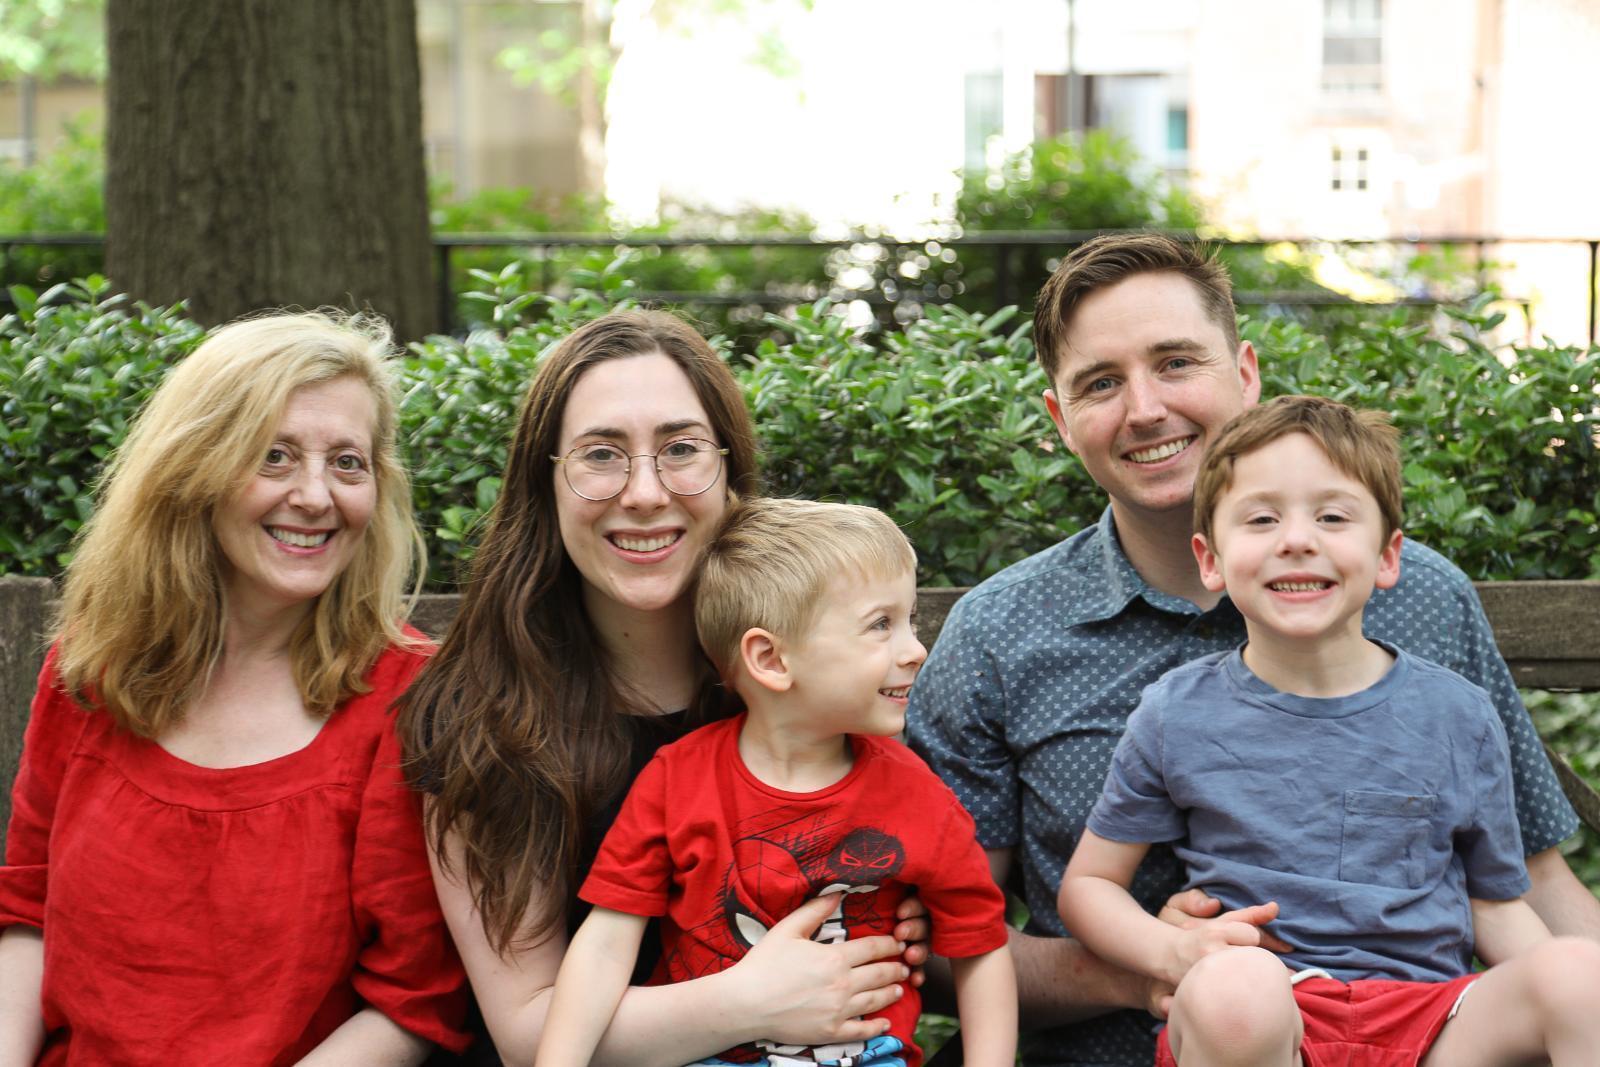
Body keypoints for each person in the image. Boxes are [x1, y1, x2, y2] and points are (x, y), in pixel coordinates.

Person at [904, 233, 1598, 1067]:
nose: (1144, 408)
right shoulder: (999, 633)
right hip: (1137, 1043)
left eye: (1175, 362)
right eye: (1101, 382)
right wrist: (1150, 968)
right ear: (1060, 420)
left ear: (1245, 373)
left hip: (1416, 1030)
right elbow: (941, 944)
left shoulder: (1420, 598)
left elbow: (1528, 882)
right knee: (1239, 998)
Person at [398, 311, 930, 1067]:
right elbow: (527, 1029)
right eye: (601, 455)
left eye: (681, 449)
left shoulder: (823, 680)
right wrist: (748, 1000)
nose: (645, 492)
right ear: (546, 482)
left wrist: (896, 921)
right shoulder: (486, 715)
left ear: (730, 471)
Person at [1059, 395, 1600, 1067]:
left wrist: (1569, 994)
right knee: (1235, 987)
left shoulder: (1457, 714)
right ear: (1211, 559)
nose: (1296, 539)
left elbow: (1494, 904)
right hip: (1267, 1010)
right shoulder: (1177, 712)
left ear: (1387, 556)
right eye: (1261, 518)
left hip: (1430, 1018)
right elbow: (1090, 886)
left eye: (1333, 517)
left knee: (1581, 972)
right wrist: (1173, 950)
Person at [0, 312, 469, 1066]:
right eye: (274, 456)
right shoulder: (91, 667)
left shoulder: (407, 701)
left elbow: (411, 998)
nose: (315, 495)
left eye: (347, 463)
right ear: (195, 466)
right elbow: (27, 909)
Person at [537, 497, 1016, 1067]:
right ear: (770, 659)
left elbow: (981, 947)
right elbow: (607, 941)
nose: (915, 649)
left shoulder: (917, 796)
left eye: (909, 620)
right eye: (880, 625)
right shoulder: (677, 781)